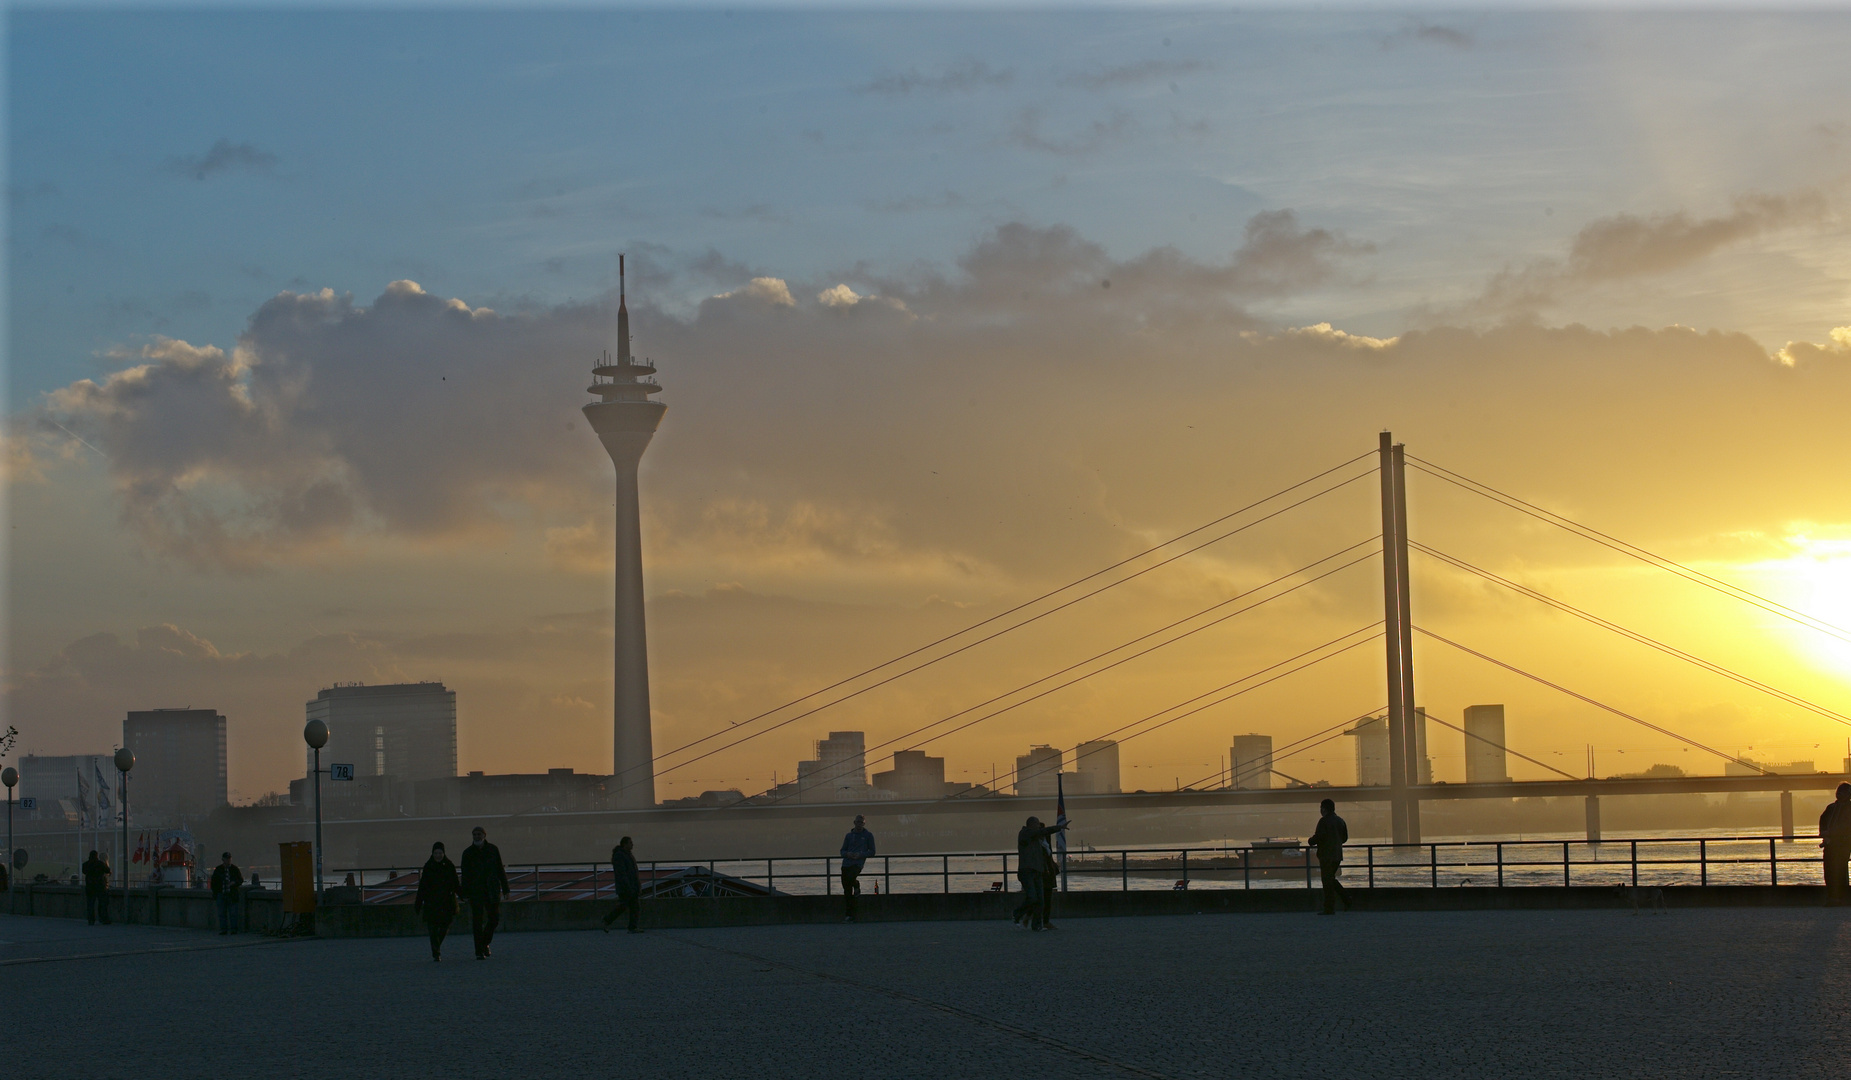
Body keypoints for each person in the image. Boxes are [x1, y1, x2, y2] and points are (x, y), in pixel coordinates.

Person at [459, 826, 510, 959]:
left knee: (494, 919)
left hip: (491, 889)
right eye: (474, 834)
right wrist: (464, 893)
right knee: (477, 922)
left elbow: (500, 869)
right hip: (475, 891)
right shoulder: (467, 853)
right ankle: (479, 951)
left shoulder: (493, 849)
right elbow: (465, 875)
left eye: (479, 834)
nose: (476, 836)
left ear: (484, 835)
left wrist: (505, 888)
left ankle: (484, 943)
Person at [1016, 816, 1067, 931]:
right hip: (1034, 871)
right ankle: (1021, 915)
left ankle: (1038, 924)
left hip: (1044, 872)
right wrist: (1059, 827)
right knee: (1035, 898)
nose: (1039, 827)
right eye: (1037, 824)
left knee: (1042, 899)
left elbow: (1047, 857)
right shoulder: (1028, 835)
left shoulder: (1041, 842)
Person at [414, 841, 460, 961]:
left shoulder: (449, 866)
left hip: (446, 901)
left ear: (443, 853)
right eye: (436, 853)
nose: (438, 855)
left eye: (440, 853)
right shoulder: (428, 866)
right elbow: (422, 887)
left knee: (445, 926)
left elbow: (455, 883)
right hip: (432, 902)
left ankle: (436, 947)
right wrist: (418, 903)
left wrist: (463, 895)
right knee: (433, 929)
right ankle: (436, 952)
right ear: (432, 853)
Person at [1309, 798, 1352, 915]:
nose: (1320, 810)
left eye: (1321, 808)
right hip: (1337, 855)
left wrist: (1311, 841)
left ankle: (1330, 907)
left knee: (1327, 881)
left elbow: (1319, 837)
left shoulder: (1323, 821)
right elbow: (1344, 838)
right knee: (1330, 879)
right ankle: (1346, 899)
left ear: (1324, 808)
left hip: (1326, 855)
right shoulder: (1340, 821)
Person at [602, 836, 643, 934]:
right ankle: (608, 920)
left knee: (630, 906)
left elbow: (632, 872)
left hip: (630, 886)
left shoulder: (626, 855)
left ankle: (631, 926)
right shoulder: (621, 856)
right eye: (630, 843)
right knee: (626, 906)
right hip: (626, 887)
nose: (632, 844)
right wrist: (629, 886)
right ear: (625, 844)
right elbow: (622, 873)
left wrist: (637, 885)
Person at [839, 815, 875, 922]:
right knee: (847, 890)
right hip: (846, 863)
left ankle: (857, 885)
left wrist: (860, 854)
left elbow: (872, 851)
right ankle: (849, 915)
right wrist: (848, 854)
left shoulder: (868, 835)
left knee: (851, 879)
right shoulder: (849, 836)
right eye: (857, 822)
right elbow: (842, 851)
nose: (859, 824)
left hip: (857, 863)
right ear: (854, 822)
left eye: (861, 822)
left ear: (864, 824)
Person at [1820, 783, 1851, 906]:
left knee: (1840, 870)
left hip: (1843, 844)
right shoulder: (1831, 807)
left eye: (1843, 792)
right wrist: (1824, 834)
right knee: (1828, 870)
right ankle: (1832, 897)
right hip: (1830, 844)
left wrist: (1831, 832)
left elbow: (1847, 826)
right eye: (1839, 791)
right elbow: (1823, 820)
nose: (1839, 794)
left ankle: (1841, 898)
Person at [209, 852, 244, 935]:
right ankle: (223, 929)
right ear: (223, 859)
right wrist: (216, 893)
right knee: (222, 913)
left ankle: (233, 929)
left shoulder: (235, 869)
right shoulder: (218, 869)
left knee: (233, 913)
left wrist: (234, 883)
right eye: (227, 859)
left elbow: (240, 880)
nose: (228, 860)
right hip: (221, 894)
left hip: (232, 895)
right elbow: (213, 883)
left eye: (229, 859)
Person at [81, 850, 111, 926]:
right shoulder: (100, 864)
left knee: (90, 905)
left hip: (90, 887)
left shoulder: (85, 864)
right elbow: (108, 870)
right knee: (102, 904)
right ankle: (103, 919)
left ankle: (91, 920)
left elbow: (84, 871)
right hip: (100, 887)